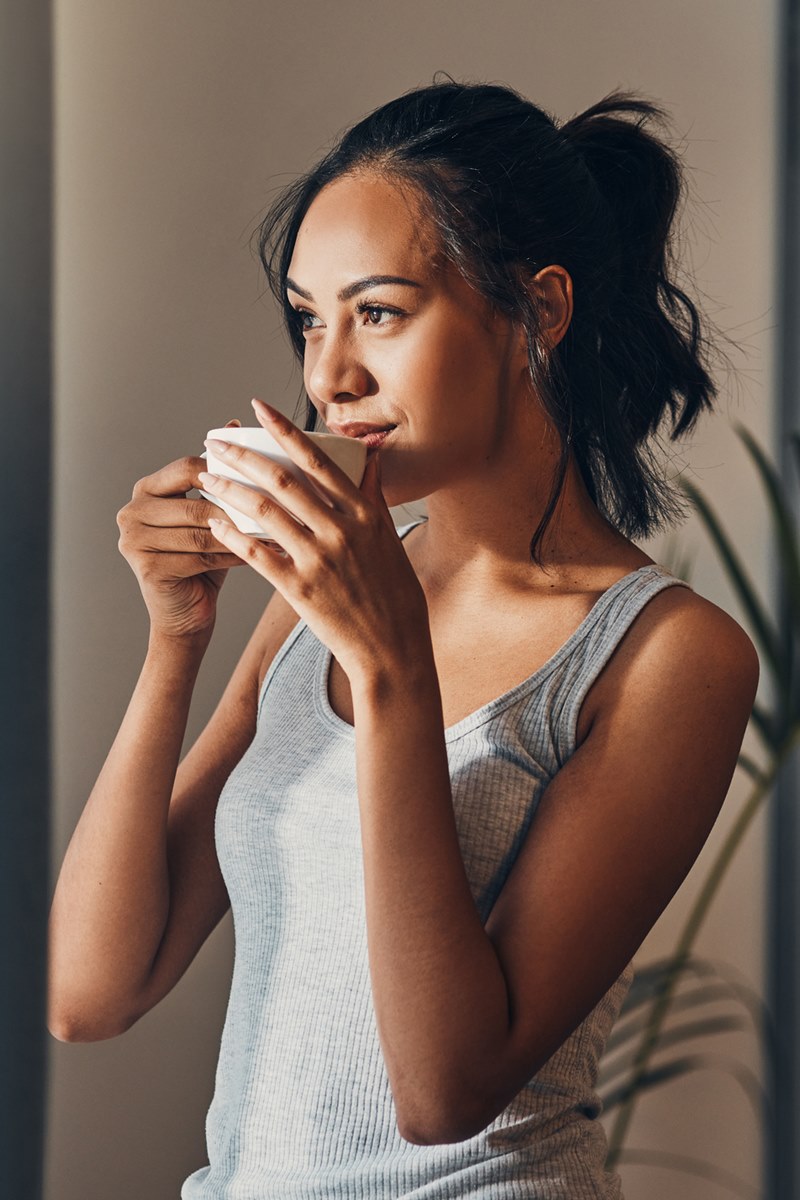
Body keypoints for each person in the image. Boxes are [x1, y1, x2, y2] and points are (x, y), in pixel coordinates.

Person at [48, 78, 759, 1199]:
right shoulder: (313, 598)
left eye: (376, 312)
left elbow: (442, 1091)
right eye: (307, 317)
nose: (327, 378)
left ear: (539, 312)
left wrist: (390, 671)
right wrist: (174, 639)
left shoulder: (667, 657)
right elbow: (92, 993)